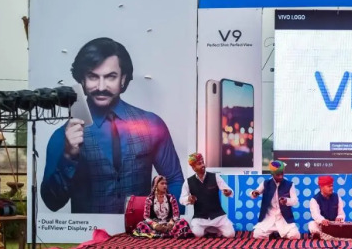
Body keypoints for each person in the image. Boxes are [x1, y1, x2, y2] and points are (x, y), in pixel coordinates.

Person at [41, 37, 184, 214]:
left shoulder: (152, 124)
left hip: (141, 229)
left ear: (123, 79)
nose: (101, 86)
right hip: (90, 231)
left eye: (110, 77)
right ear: (82, 80)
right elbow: (52, 202)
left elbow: (174, 180)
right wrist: (68, 155)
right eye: (93, 76)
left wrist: (164, 217)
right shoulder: (63, 135)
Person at [180, 153, 235, 238]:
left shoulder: (215, 177)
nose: (203, 165)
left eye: (203, 162)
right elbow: (181, 199)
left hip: (218, 216)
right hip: (200, 218)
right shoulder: (188, 182)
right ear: (194, 168)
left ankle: (213, 231)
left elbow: (228, 190)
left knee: (230, 234)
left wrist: (228, 192)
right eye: (199, 164)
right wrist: (188, 199)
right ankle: (209, 232)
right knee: (197, 234)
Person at [250, 160, 300, 240]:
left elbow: (295, 201)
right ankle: (273, 234)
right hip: (269, 219)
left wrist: (286, 201)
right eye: (278, 175)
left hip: (283, 219)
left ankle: (278, 234)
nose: (280, 177)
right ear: (272, 174)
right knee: (257, 234)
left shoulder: (289, 184)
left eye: (282, 174)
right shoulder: (266, 183)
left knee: (295, 235)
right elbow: (254, 193)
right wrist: (254, 193)